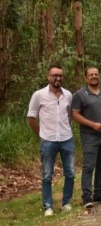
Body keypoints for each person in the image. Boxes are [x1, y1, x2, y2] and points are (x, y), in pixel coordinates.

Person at [27, 65, 75, 217]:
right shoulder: (39, 95)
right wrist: (41, 133)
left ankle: (66, 202)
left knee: (71, 173)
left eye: (60, 75)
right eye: (55, 75)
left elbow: (70, 116)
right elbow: (31, 117)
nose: (58, 78)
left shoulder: (68, 95)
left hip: (67, 138)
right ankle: (48, 206)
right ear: (48, 77)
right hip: (48, 140)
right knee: (47, 174)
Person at [72, 67, 101, 208]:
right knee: (89, 166)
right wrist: (92, 125)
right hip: (89, 136)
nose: (94, 76)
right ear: (86, 78)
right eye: (91, 74)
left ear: (99, 76)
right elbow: (75, 114)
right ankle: (87, 197)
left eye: (96, 74)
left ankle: (99, 194)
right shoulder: (80, 95)